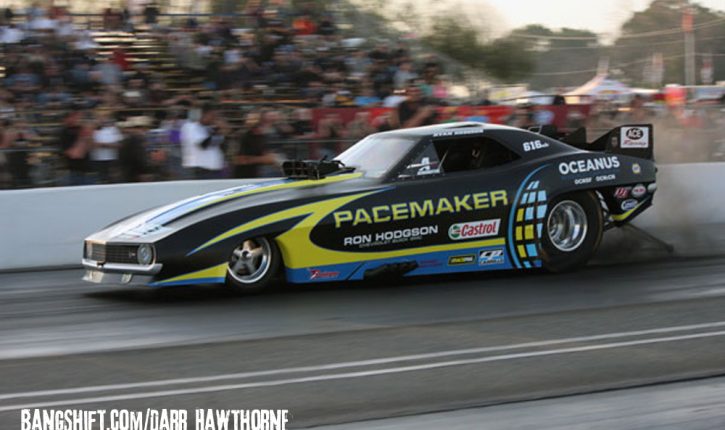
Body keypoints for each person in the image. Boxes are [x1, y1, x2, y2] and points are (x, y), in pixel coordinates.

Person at [180, 104, 228, 179]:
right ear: (204, 114)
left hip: (214, 171)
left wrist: (222, 131)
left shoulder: (208, 128)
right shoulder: (191, 126)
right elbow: (203, 144)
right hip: (200, 172)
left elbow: (222, 145)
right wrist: (221, 131)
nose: (215, 118)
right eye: (213, 115)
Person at [233, 112, 276, 178]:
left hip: (255, 174)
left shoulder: (262, 137)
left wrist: (253, 159)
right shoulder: (243, 136)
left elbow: (269, 159)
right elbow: (239, 160)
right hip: (241, 175)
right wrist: (261, 159)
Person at [58, 110, 93, 186]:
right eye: (74, 116)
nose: (78, 118)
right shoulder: (64, 133)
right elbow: (75, 155)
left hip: (87, 171)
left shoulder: (81, 128)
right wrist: (83, 137)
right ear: (66, 119)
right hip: (74, 173)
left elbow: (91, 147)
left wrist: (89, 136)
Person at [91, 111, 122, 183]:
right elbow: (91, 145)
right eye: (99, 117)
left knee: (113, 180)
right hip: (98, 159)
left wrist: (104, 145)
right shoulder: (92, 130)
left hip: (112, 159)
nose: (101, 119)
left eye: (104, 117)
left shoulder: (113, 129)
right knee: (100, 180)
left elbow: (119, 144)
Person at [118, 116, 150, 182]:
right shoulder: (135, 140)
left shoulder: (128, 140)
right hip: (135, 174)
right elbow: (139, 158)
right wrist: (144, 171)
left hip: (130, 173)